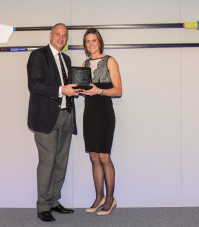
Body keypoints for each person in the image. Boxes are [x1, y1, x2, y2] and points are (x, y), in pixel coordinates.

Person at [27, 23, 80, 222]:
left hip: (66, 115)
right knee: (47, 162)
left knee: (61, 162)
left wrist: (75, 89)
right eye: (58, 34)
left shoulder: (66, 59)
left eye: (64, 35)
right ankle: (43, 206)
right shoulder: (38, 56)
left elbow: (68, 86)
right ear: (50, 36)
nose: (61, 38)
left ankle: (53, 201)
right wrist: (61, 90)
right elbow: (34, 84)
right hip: (46, 118)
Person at [80, 28, 122, 216]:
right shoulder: (84, 63)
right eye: (88, 41)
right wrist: (80, 90)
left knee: (104, 156)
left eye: (94, 40)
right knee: (93, 156)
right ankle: (99, 197)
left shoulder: (110, 61)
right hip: (89, 112)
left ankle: (111, 199)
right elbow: (85, 88)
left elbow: (118, 90)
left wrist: (100, 91)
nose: (91, 44)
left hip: (104, 112)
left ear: (100, 42)